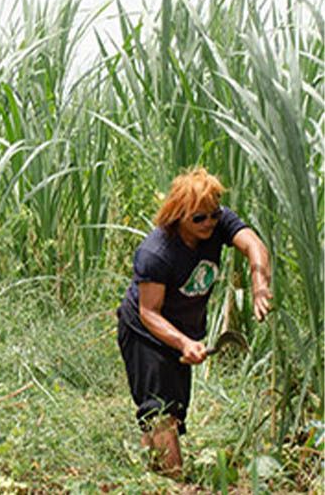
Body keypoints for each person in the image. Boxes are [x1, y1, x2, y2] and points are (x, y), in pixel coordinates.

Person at [116, 167, 272, 477]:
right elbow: (149, 312)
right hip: (144, 331)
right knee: (160, 412)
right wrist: (184, 343)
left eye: (213, 215)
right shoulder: (156, 253)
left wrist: (260, 284)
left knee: (170, 410)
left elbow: (254, 245)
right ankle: (175, 483)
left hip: (182, 329)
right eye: (198, 218)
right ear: (178, 216)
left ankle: (154, 479)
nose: (209, 223)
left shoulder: (217, 223)